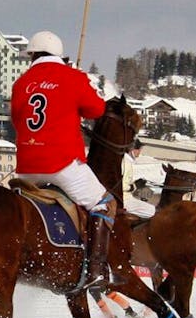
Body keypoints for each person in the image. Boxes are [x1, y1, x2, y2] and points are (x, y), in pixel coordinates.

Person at [11, 30, 116, 292]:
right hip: (60, 163)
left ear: (32, 55)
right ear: (59, 55)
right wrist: (84, 84)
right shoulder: (73, 77)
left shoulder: (22, 82)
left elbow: (16, 119)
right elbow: (97, 110)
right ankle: (95, 271)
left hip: (26, 167)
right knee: (105, 203)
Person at [122, 139, 155, 218]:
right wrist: (133, 186)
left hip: (126, 197)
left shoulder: (128, 161)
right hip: (124, 199)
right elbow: (122, 185)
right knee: (152, 211)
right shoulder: (125, 162)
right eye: (139, 150)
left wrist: (135, 183)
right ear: (132, 149)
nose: (140, 153)